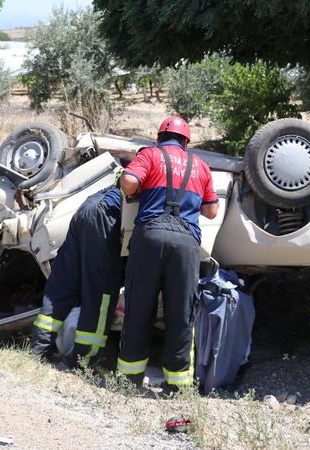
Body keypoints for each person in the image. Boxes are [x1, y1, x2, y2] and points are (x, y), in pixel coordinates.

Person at [116, 116, 219, 391]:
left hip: (149, 236)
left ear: (159, 137)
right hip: (186, 242)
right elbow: (211, 211)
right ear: (186, 142)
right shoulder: (201, 165)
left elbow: (127, 182)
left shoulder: (150, 155)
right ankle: (176, 386)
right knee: (181, 313)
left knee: (139, 307)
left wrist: (141, 187)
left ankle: (129, 380)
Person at [31, 185, 124, 368]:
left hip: (88, 206)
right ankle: (83, 360)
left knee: (63, 284)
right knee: (101, 293)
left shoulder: (143, 162)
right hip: (108, 215)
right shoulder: (161, 172)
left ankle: (39, 349)